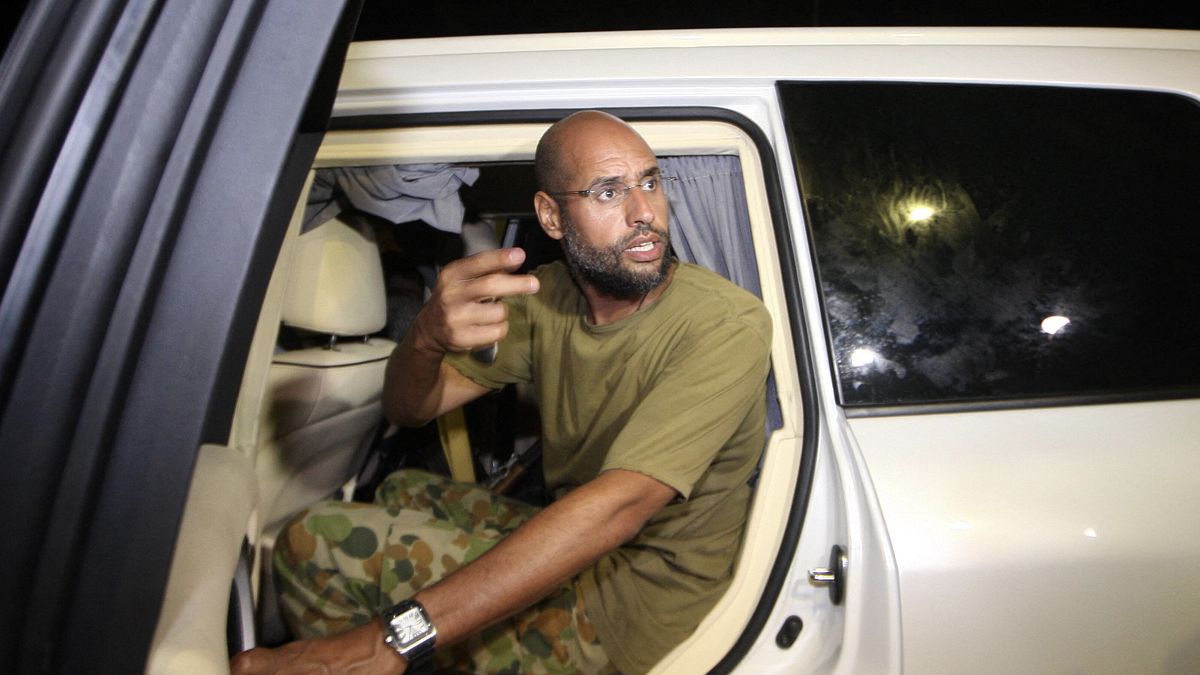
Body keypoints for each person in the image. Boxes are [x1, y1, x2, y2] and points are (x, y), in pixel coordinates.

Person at [231, 111, 772, 675]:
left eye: (650, 182)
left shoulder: (724, 325)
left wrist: (389, 641)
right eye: (609, 192)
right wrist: (426, 337)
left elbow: (620, 508)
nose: (645, 212)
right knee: (401, 490)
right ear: (551, 216)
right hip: (588, 546)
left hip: (636, 603)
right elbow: (411, 408)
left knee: (314, 542)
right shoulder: (547, 296)